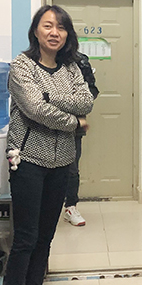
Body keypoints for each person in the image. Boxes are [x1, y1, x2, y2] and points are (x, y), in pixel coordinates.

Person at [0, 5, 94, 285]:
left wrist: (50, 95)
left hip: (61, 161)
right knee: (25, 238)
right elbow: (35, 109)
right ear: (36, 31)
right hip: (28, 160)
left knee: (45, 236)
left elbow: (86, 101)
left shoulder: (71, 67)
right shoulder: (21, 66)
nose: (55, 32)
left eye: (61, 27)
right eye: (48, 25)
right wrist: (75, 124)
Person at [63, 51, 99, 226]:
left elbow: (92, 91)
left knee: (72, 168)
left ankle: (70, 207)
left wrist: (76, 108)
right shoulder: (38, 60)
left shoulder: (80, 61)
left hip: (74, 124)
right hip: (44, 124)